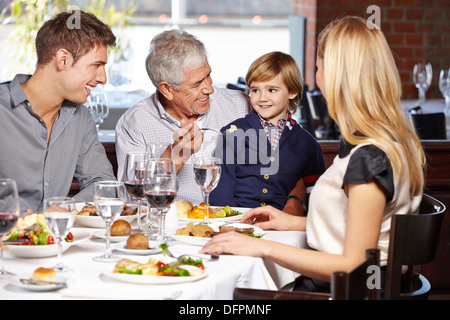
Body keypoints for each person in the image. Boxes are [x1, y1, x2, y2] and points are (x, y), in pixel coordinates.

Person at [201, 16, 426, 295]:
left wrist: (262, 247)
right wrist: (290, 222)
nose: (316, 76)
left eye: (318, 66)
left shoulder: (370, 156)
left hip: (346, 291)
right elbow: (360, 226)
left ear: (334, 73)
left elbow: (355, 264)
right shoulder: (391, 139)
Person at [115, 29, 252, 204]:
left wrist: (295, 200)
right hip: (171, 225)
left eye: (208, 75)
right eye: (197, 84)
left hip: (234, 222)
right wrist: (175, 157)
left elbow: (283, 158)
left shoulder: (240, 105)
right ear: (167, 89)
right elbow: (132, 201)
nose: (209, 89)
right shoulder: (135, 123)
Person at [0, 10, 117, 213]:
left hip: (55, 241)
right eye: (96, 65)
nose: (103, 78)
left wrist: (66, 209)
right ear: (63, 59)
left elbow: (103, 184)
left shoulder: (79, 117)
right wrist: (21, 220)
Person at [210, 51, 325, 214]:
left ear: (292, 91)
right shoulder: (231, 134)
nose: (262, 97)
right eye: (255, 90)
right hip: (237, 222)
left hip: (283, 226)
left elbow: (317, 197)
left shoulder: (308, 144)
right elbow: (220, 194)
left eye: (272, 90)